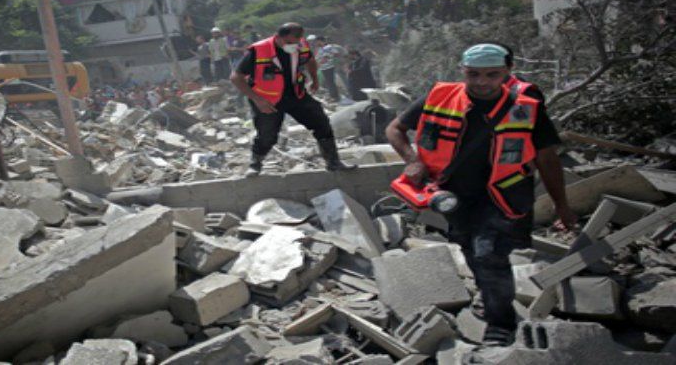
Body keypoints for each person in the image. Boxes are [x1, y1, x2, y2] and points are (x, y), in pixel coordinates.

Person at [384, 43, 577, 346]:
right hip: (453, 194)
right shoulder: (440, 96)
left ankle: (500, 324)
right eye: (473, 74)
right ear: (463, 71)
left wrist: (561, 205)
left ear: (507, 72)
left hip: (503, 194)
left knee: (489, 254)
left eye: (492, 74)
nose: (482, 82)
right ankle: (491, 296)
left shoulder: (526, 108)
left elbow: (547, 158)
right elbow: (395, 129)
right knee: (469, 248)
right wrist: (412, 160)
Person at [231, 23, 355, 176]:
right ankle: (255, 164)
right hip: (268, 99)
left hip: (296, 94)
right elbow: (236, 77)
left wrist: (315, 79)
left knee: (321, 122)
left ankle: (333, 162)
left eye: (296, 42)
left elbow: (310, 60)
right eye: (289, 42)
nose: (293, 46)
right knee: (267, 135)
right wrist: (257, 100)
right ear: (278, 37)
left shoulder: (300, 45)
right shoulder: (259, 50)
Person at [313, 36, 347, 102]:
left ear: (320, 41)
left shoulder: (328, 47)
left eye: (316, 42)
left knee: (330, 82)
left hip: (328, 67)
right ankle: (334, 96)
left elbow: (333, 55)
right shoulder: (321, 48)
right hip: (324, 68)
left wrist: (326, 59)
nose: (316, 43)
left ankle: (335, 97)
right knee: (329, 82)